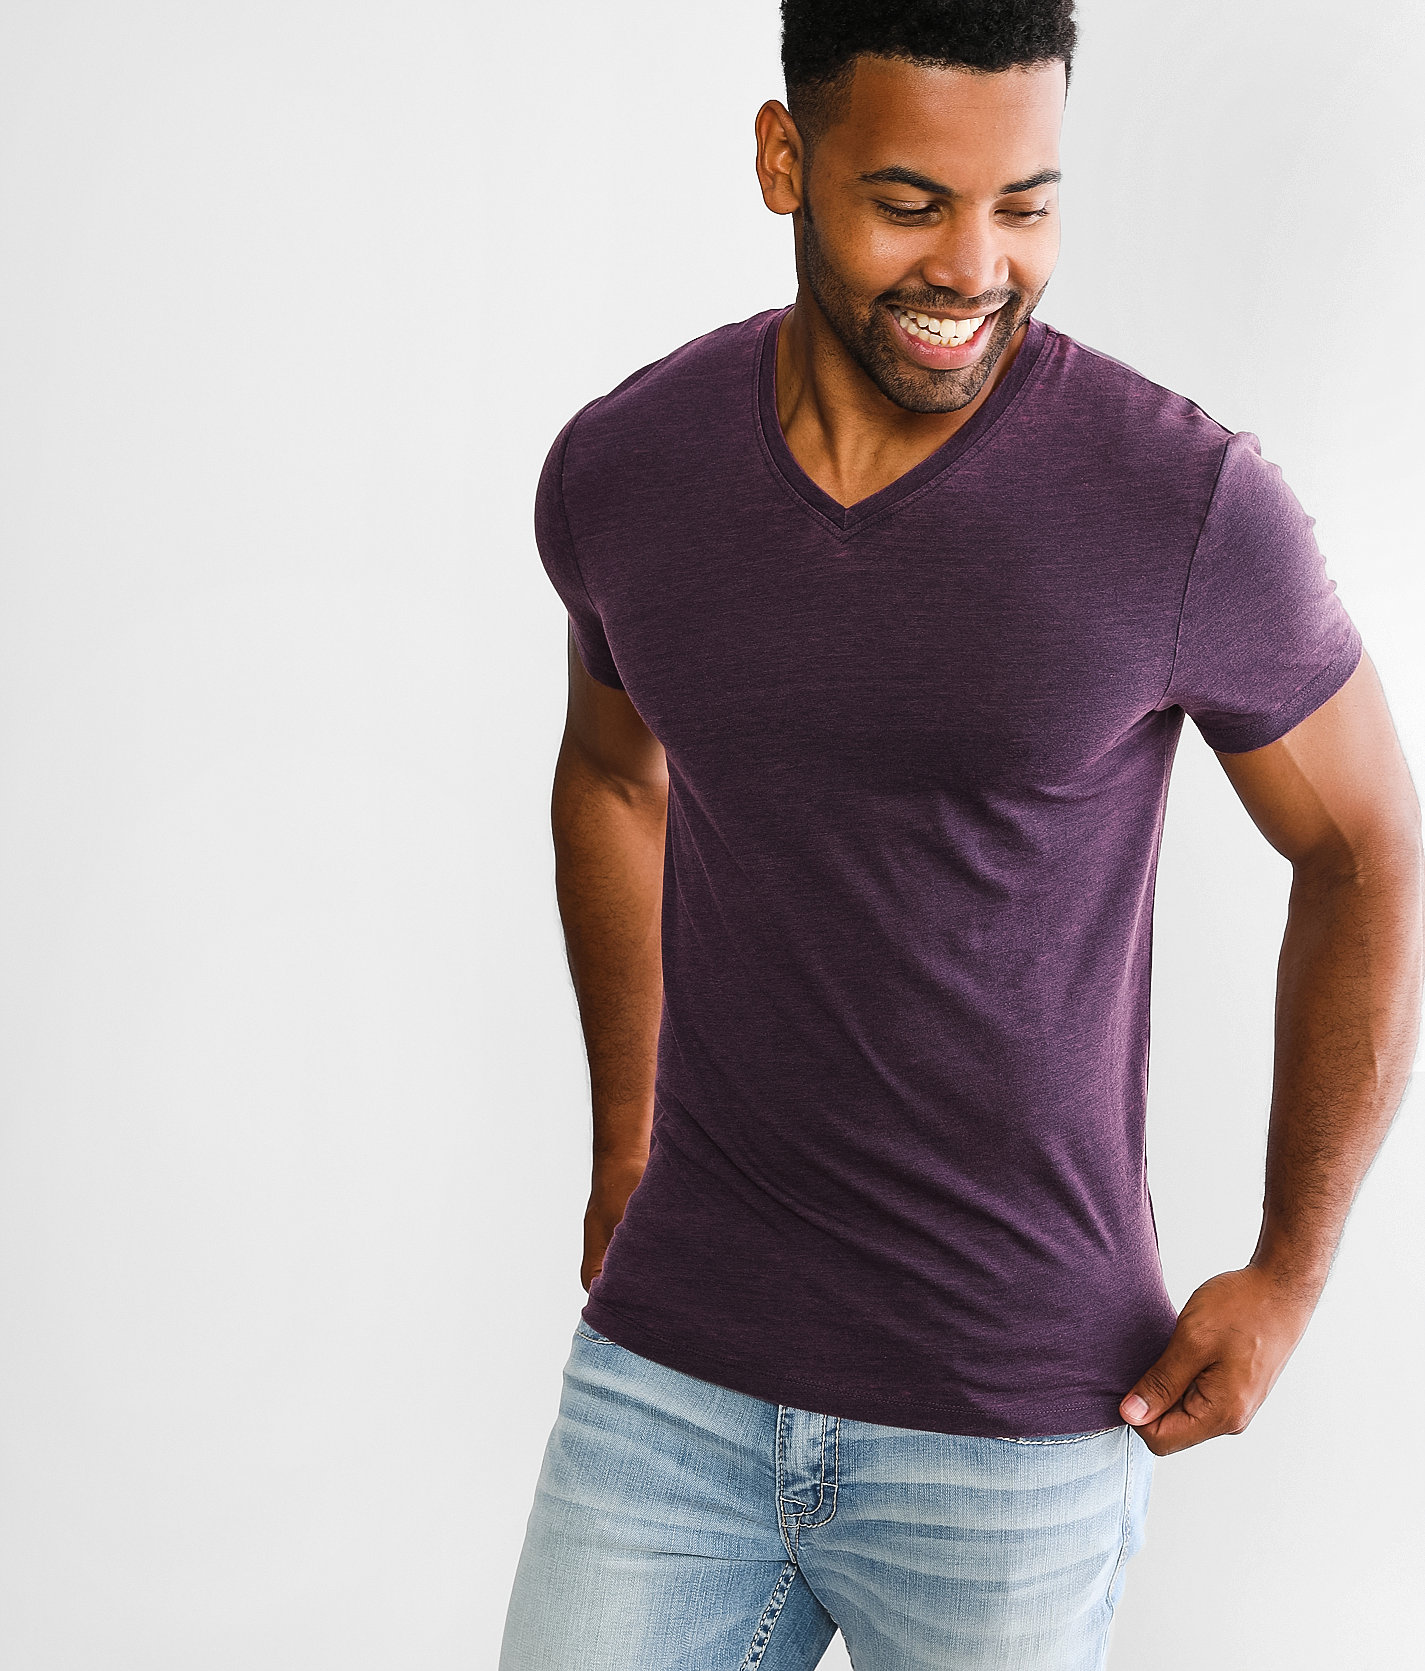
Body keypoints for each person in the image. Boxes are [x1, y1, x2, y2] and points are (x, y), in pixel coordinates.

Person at [499, 2, 1423, 1666]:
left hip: (1013, 1423)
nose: (975, 268)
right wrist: (620, 1141)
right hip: (667, 1382)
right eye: (910, 203)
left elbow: (1362, 845)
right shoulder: (628, 470)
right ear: (784, 160)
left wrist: (1289, 1273)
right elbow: (613, 778)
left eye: (1025, 205)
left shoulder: (1182, 505)